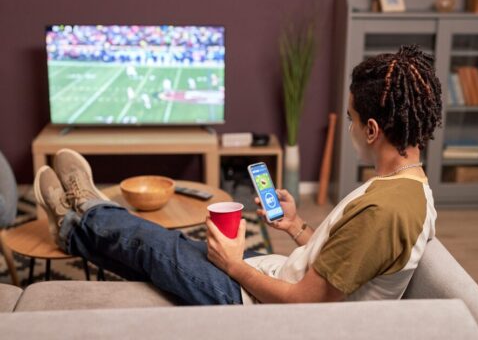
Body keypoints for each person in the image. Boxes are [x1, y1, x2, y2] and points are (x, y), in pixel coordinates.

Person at [34, 44, 442, 305]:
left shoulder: (383, 211)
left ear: (372, 130)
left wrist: (233, 266)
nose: (351, 127)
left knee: (152, 246)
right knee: (154, 252)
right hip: (271, 277)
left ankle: (80, 211)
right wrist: (298, 227)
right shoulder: (405, 189)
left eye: (352, 119)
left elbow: (303, 304)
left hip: (255, 303)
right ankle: (77, 220)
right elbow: (345, 259)